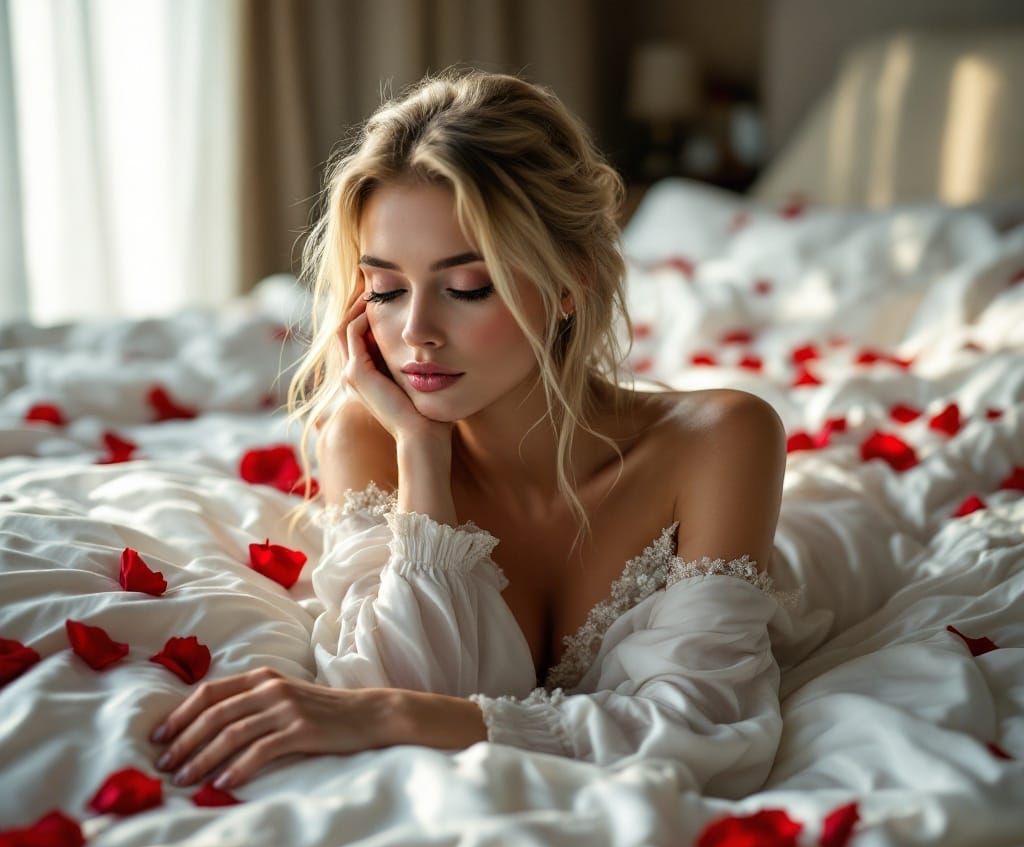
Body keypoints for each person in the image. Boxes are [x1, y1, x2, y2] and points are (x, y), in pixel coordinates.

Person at [149, 67, 800, 798]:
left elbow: (705, 730)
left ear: (568, 284)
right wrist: (421, 454)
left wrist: (391, 715)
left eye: (466, 288)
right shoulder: (371, 438)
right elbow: (413, 679)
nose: (415, 332)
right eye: (386, 290)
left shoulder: (720, 441)